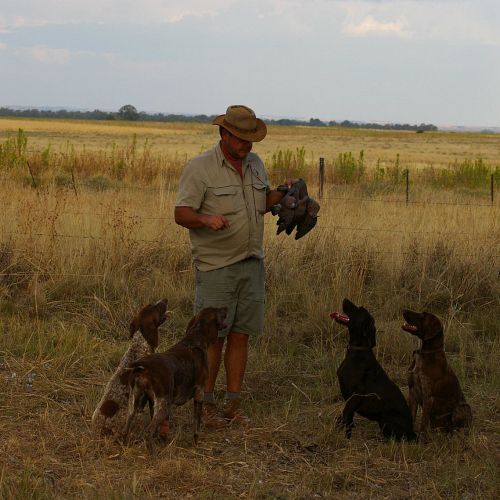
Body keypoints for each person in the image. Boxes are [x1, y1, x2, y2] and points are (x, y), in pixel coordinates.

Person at [174, 104, 289, 428]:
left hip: (252, 264)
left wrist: (283, 192)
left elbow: (261, 203)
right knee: (213, 339)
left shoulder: (255, 164)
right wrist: (204, 219)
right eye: (240, 138)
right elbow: (181, 213)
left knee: (240, 335)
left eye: (250, 139)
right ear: (224, 134)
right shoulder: (200, 168)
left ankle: (233, 404)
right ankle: (205, 404)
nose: (247, 145)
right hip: (217, 267)